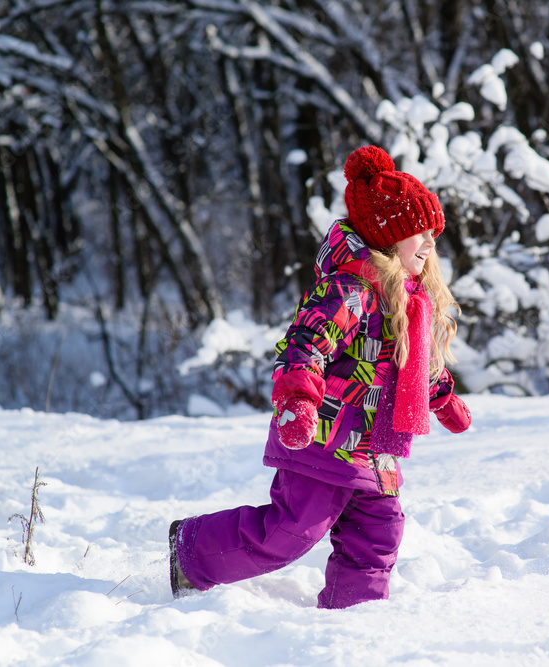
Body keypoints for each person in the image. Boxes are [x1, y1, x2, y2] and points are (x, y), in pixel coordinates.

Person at [169, 145, 471, 609]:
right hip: (324, 439)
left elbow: (409, 367)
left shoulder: (412, 301)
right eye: (419, 232)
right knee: (290, 533)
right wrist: (298, 402)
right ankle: (191, 552)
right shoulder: (349, 291)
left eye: (433, 233)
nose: (430, 244)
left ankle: (351, 619)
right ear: (389, 237)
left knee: (378, 534)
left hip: (376, 449)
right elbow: (305, 344)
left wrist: (443, 397)